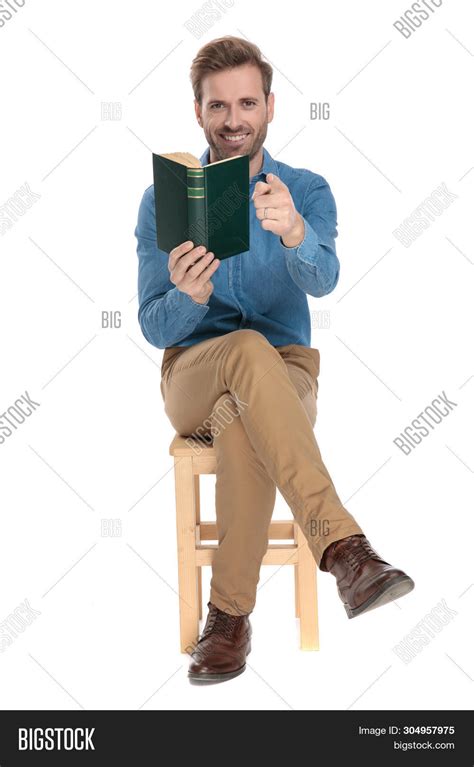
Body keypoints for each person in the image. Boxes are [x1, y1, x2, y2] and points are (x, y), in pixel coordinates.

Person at [134, 35, 414, 684]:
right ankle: (344, 547)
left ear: (270, 107)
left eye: (247, 104)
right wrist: (186, 297)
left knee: (246, 422)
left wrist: (295, 234)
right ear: (197, 112)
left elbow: (325, 279)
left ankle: (228, 619)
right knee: (240, 353)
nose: (234, 119)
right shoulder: (164, 202)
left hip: (287, 371)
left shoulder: (308, 190)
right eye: (218, 106)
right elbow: (152, 323)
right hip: (192, 373)